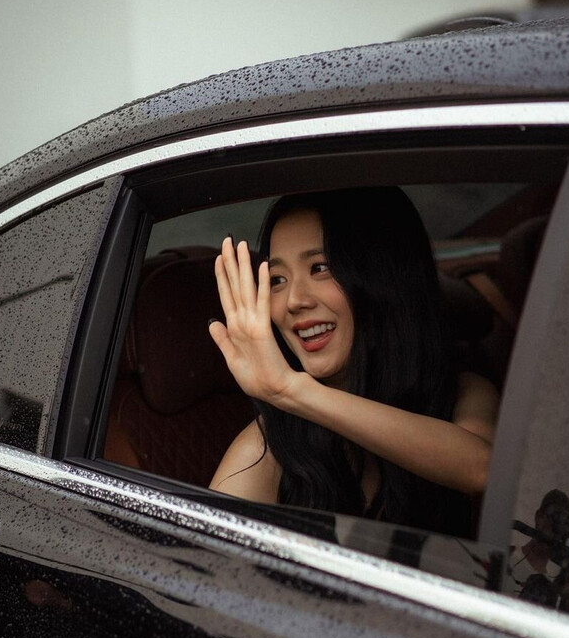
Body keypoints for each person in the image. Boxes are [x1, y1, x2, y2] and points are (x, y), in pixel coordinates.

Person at [207, 187, 498, 537]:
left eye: (321, 267)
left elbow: (482, 470)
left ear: (385, 277)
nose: (294, 301)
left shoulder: (463, 391)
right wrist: (288, 393)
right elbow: (203, 570)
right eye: (278, 280)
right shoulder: (268, 447)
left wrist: (294, 391)